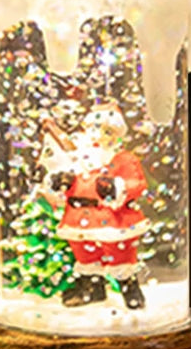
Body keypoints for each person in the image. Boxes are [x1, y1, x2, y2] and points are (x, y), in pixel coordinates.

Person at [47, 102, 148, 309]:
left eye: (107, 131)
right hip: (79, 218)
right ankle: (93, 288)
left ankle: (130, 289)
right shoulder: (80, 160)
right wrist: (60, 182)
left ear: (117, 135)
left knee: (119, 255)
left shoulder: (123, 159)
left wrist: (116, 187)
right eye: (94, 129)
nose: (99, 135)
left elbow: (137, 183)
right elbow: (71, 185)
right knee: (85, 254)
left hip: (112, 219)